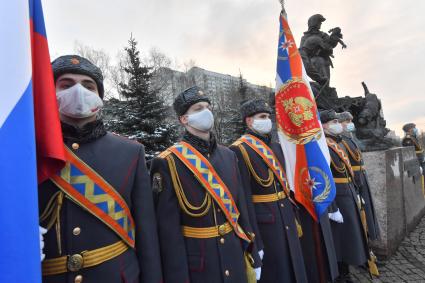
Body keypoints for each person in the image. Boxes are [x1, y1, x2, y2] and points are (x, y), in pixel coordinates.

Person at [39, 55, 162, 283]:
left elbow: (146, 234)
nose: (78, 91)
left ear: (99, 96)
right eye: (66, 85)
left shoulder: (130, 151)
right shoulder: (31, 151)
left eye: (88, 86)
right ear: (49, 92)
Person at [150, 86, 261, 283]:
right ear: (184, 119)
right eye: (198, 108)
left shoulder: (228, 155)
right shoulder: (168, 161)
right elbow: (168, 232)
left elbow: (241, 207)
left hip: (235, 257)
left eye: (208, 106)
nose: (206, 112)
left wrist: (252, 253)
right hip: (200, 266)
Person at [229, 99, 308, 283]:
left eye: (268, 116)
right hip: (265, 224)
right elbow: (244, 199)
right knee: (276, 272)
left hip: (286, 216)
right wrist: (254, 240)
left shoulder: (275, 146)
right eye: (262, 116)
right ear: (249, 121)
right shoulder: (238, 149)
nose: (267, 120)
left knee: (294, 266)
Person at [320, 110, 369, 282]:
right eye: (333, 121)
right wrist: (332, 207)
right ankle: (341, 273)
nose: (338, 124)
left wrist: (356, 192)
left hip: (348, 192)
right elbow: (323, 178)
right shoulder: (323, 145)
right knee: (340, 238)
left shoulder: (337, 143)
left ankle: (348, 268)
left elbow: (347, 171)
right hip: (337, 197)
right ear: (324, 125)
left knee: (350, 235)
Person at [338, 111, 380, 241]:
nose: (350, 124)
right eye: (347, 121)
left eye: (351, 121)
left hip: (361, 176)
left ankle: (370, 236)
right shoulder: (340, 142)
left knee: (367, 208)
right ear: (340, 124)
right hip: (355, 178)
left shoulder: (350, 138)